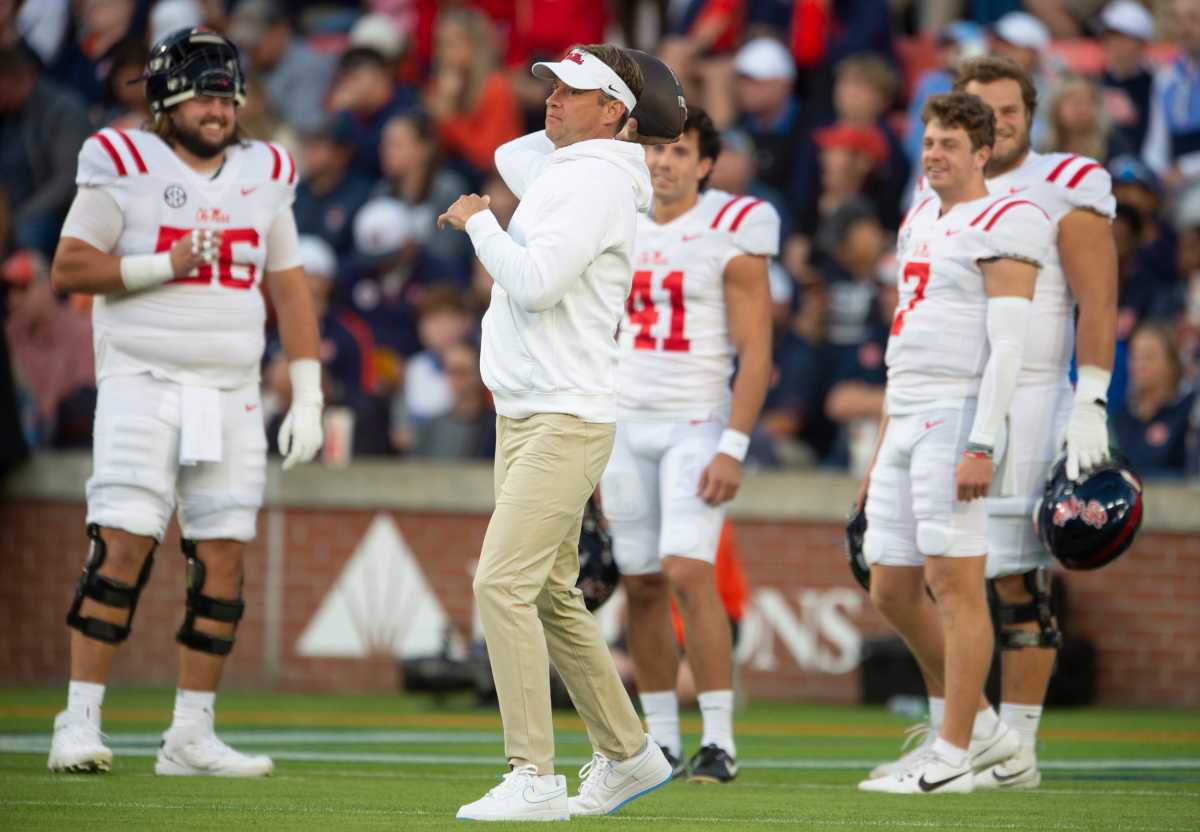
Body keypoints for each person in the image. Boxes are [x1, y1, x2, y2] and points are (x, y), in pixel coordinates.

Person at [44, 27, 323, 777]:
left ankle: (190, 735)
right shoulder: (123, 159)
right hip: (144, 380)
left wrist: (310, 390)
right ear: (166, 96)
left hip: (230, 393)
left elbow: (289, 281)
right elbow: (71, 266)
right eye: (203, 91)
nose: (218, 106)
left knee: (224, 559)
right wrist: (161, 264)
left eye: (226, 92)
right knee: (122, 547)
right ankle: (78, 720)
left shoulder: (266, 170)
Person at [867, 55, 1121, 791]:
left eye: (1007, 110)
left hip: (1031, 392)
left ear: (1027, 114)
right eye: (979, 109)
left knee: (1013, 573)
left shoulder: (1063, 183)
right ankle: (977, 729)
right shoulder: (933, 195)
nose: (995, 122)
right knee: (922, 571)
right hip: (940, 395)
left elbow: (1096, 300)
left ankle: (1019, 744)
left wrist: (1091, 395)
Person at [436, 43, 672, 821]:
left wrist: (479, 225)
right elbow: (513, 150)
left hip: (565, 414)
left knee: (499, 583)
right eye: (552, 87)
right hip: (531, 408)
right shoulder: (578, 167)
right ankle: (631, 753)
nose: (552, 99)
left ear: (613, 113)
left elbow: (535, 286)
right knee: (548, 596)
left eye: (574, 92)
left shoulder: (597, 181)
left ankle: (533, 775)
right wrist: (609, 119)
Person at [856, 91, 1053, 795]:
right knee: (889, 583)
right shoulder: (920, 216)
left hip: (957, 409)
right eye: (929, 142)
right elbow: (906, 338)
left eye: (949, 144)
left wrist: (983, 442)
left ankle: (955, 751)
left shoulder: (1010, 216)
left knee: (956, 583)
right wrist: (883, 440)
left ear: (982, 151)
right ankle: (989, 730)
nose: (934, 154)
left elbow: (1009, 345)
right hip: (907, 408)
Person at [599, 106, 775, 784]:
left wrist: (734, 443)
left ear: (705, 163)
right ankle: (662, 741)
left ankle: (720, 739)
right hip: (623, 418)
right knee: (641, 582)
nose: (663, 162)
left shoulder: (732, 225)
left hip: (695, 420)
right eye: (655, 150)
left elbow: (756, 348)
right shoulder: (615, 219)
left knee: (687, 571)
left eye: (679, 151)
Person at [1112, 323, 1196, 479]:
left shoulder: (1188, 410)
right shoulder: (1122, 415)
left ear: (1171, 362)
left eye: (1149, 357)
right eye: (1135, 357)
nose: (1139, 365)